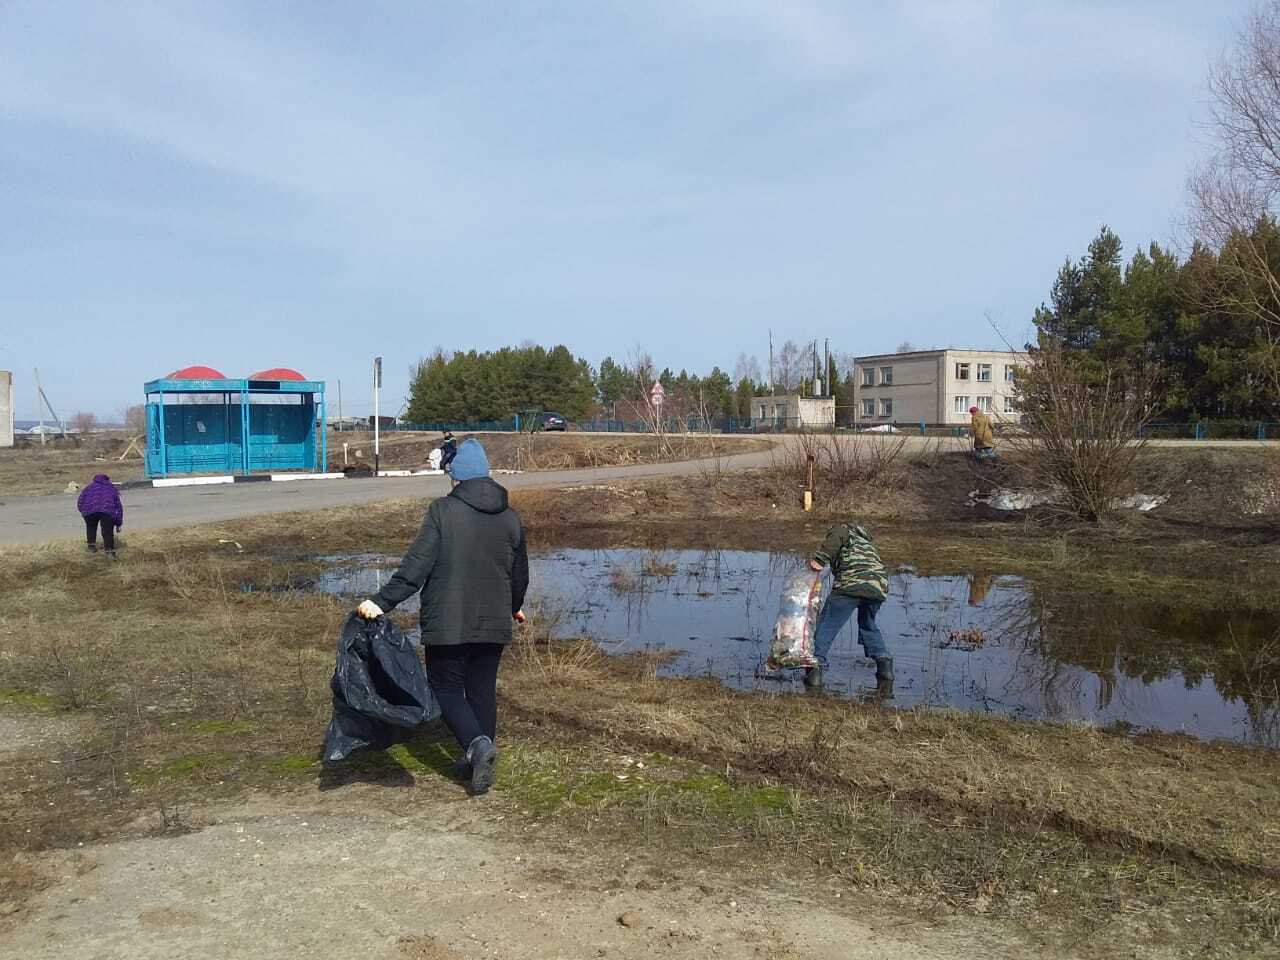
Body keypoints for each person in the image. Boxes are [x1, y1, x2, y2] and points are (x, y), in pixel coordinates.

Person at [356, 439, 528, 794]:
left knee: (445, 686)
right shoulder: (511, 518)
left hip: (448, 622)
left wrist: (381, 602)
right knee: (481, 688)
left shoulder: (442, 512)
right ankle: (478, 753)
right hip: (495, 621)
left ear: (456, 477)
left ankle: (478, 746)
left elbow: (415, 568)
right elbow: (519, 573)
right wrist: (514, 605)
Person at [805, 522, 891, 689]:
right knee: (868, 625)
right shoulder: (866, 541)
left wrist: (818, 561)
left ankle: (814, 670)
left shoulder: (842, 529)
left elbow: (834, 540)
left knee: (827, 624)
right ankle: (885, 667)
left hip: (850, 584)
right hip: (878, 586)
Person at [77, 473, 124, 558]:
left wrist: (83, 511)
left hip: (89, 511)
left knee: (91, 527)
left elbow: (80, 501)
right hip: (107, 511)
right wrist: (118, 522)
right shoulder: (111, 489)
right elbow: (118, 507)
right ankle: (109, 551)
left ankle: (91, 547)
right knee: (107, 531)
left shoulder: (88, 488)